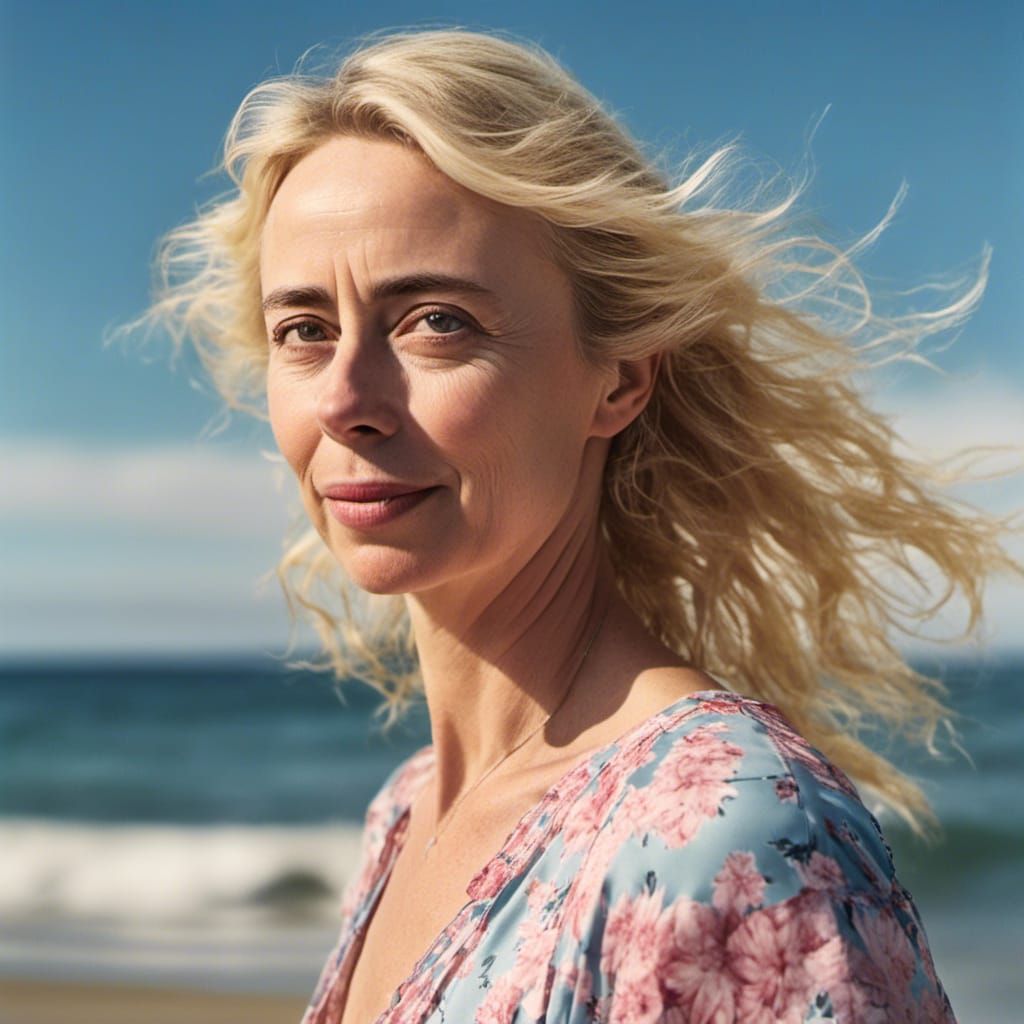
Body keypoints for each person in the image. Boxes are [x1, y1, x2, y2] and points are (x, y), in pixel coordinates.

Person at [144, 28, 1019, 1024]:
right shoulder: (409, 807)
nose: (347, 397)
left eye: (436, 320)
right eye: (302, 329)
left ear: (618, 377)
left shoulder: (721, 830)